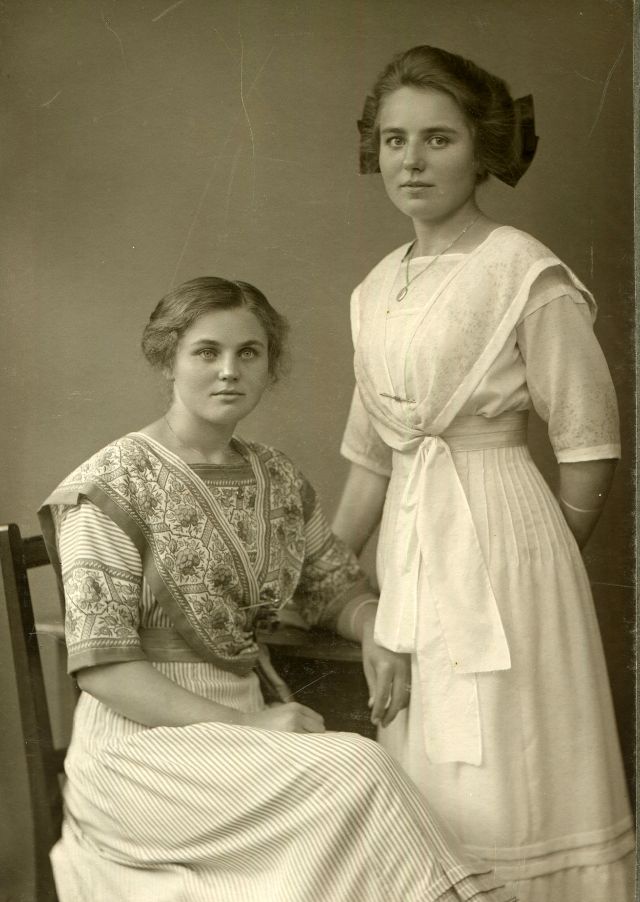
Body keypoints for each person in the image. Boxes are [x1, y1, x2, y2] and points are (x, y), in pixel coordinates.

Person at [39, 276, 517, 902]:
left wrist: (373, 626)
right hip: (140, 759)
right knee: (357, 766)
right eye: (206, 352)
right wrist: (252, 725)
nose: (229, 371)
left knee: (355, 810)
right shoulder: (109, 484)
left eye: (249, 352)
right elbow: (105, 670)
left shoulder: (277, 477)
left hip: (244, 742)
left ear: (270, 365)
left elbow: (332, 587)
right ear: (167, 359)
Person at [333, 45, 634, 902]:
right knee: (431, 773)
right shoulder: (374, 289)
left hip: (506, 547)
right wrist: (321, 566)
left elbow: (588, 441)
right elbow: (372, 459)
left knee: (516, 769)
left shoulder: (522, 270)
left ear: (482, 149)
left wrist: (540, 558)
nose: (412, 161)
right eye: (396, 140)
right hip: (414, 555)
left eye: (439, 139)